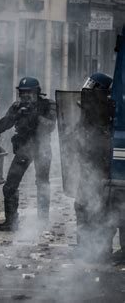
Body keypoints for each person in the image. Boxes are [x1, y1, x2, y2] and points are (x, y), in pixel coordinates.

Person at [0, 77, 56, 231]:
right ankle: (11, 221)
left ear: (37, 92)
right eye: (23, 94)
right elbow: (3, 125)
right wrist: (15, 115)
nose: (26, 97)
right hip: (24, 149)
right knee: (10, 185)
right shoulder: (17, 107)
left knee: (42, 185)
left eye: (29, 93)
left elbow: (51, 126)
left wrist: (35, 115)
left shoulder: (47, 105)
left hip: (42, 149)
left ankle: (42, 222)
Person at [75, 72, 117, 261]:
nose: (88, 89)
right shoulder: (88, 112)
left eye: (92, 86)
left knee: (102, 210)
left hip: (102, 170)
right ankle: (84, 247)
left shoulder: (109, 112)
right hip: (87, 169)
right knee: (82, 206)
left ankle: (102, 249)